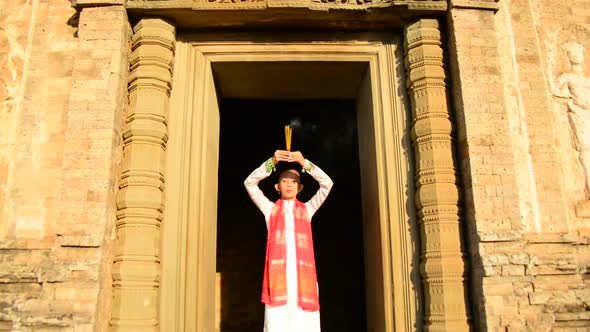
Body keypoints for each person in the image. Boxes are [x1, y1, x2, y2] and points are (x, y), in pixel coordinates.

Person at [244, 150, 333, 332]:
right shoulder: (269, 209)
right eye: (284, 181)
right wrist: (272, 162)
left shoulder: (308, 209)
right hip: (278, 282)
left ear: (300, 188)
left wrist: (304, 162)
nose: (289, 185)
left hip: (303, 281)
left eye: (294, 181)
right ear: (277, 187)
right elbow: (250, 183)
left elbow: (327, 184)